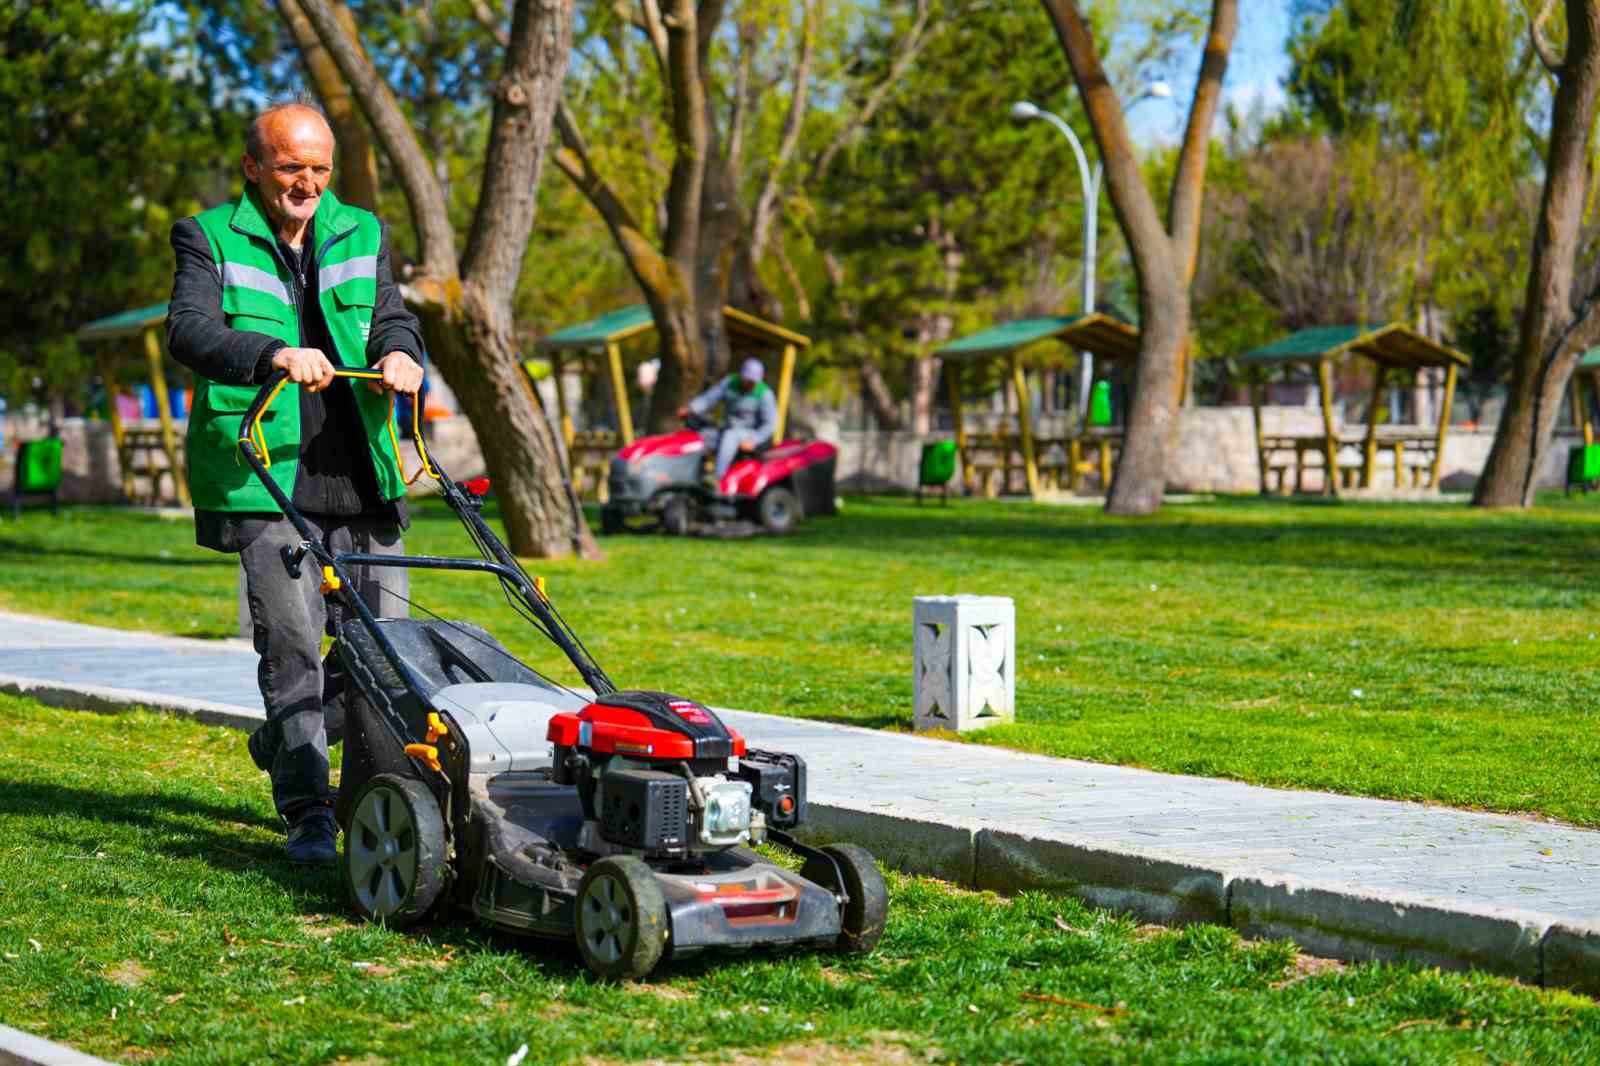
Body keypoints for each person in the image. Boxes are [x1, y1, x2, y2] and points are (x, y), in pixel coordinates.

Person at [166, 101, 425, 866]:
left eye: (318, 168)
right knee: (293, 653)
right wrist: (273, 352)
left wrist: (404, 353)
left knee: (390, 653)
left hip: (362, 472)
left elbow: (391, 319)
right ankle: (310, 810)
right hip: (266, 477)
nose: (306, 183)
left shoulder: (363, 230)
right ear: (254, 167)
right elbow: (189, 329)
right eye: (290, 168)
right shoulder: (206, 235)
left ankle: (340, 774)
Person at [679, 357, 778, 482]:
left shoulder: (764, 394)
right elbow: (709, 398)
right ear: (741, 375)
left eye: (753, 382)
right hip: (727, 428)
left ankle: (717, 478)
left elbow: (770, 424)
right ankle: (689, 473)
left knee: (730, 436)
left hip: (748, 434)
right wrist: (691, 408)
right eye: (747, 380)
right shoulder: (730, 382)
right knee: (702, 437)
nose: (749, 384)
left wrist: (754, 440)